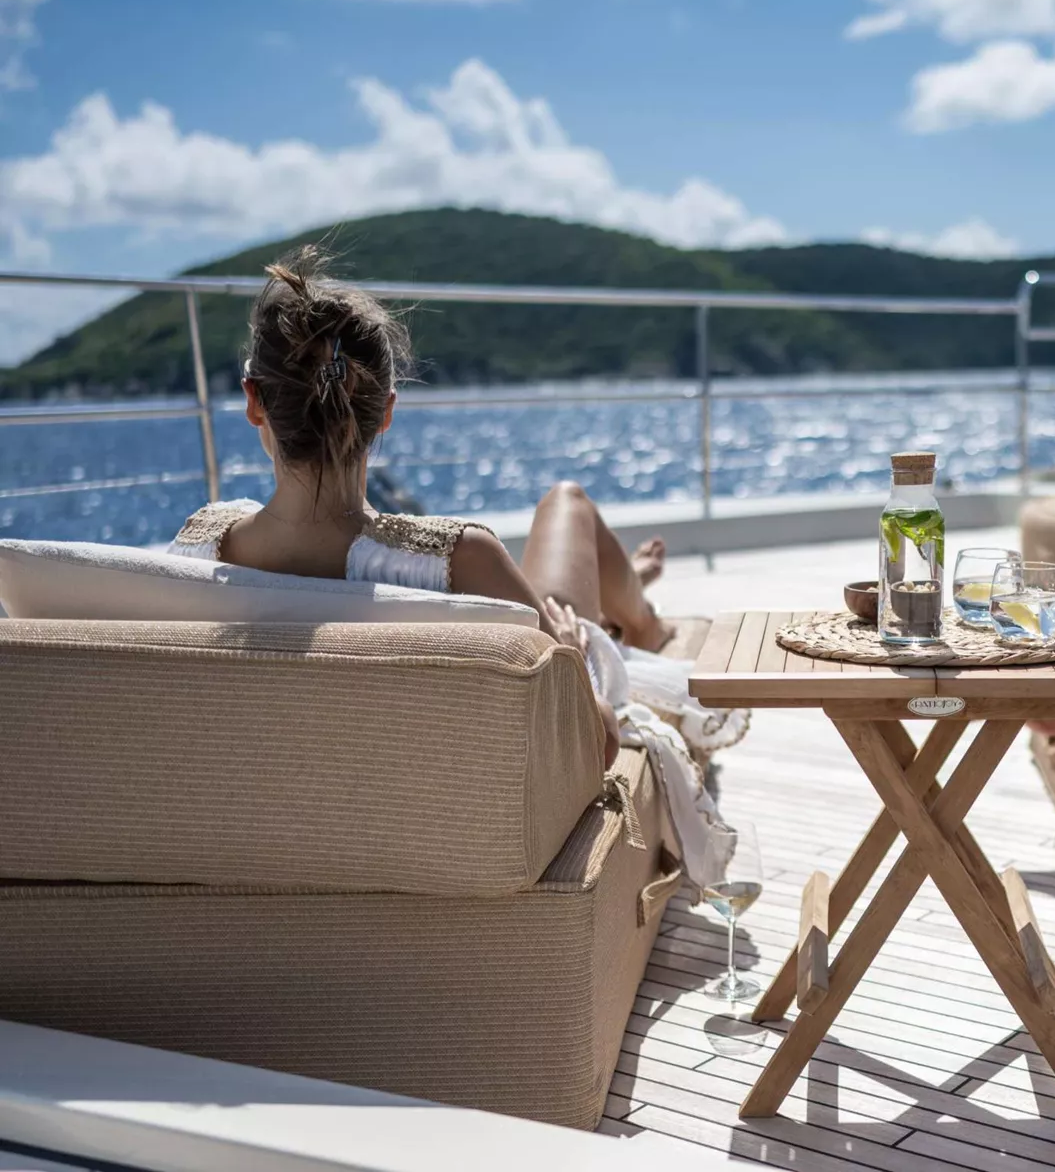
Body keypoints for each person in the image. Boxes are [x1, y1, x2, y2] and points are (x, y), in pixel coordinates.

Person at [168, 247, 744, 881]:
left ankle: (627, 605)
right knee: (567, 505)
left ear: (254, 401)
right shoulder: (458, 559)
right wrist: (571, 652)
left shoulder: (196, 552)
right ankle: (638, 621)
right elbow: (597, 739)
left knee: (564, 577)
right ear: (387, 410)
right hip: (513, 699)